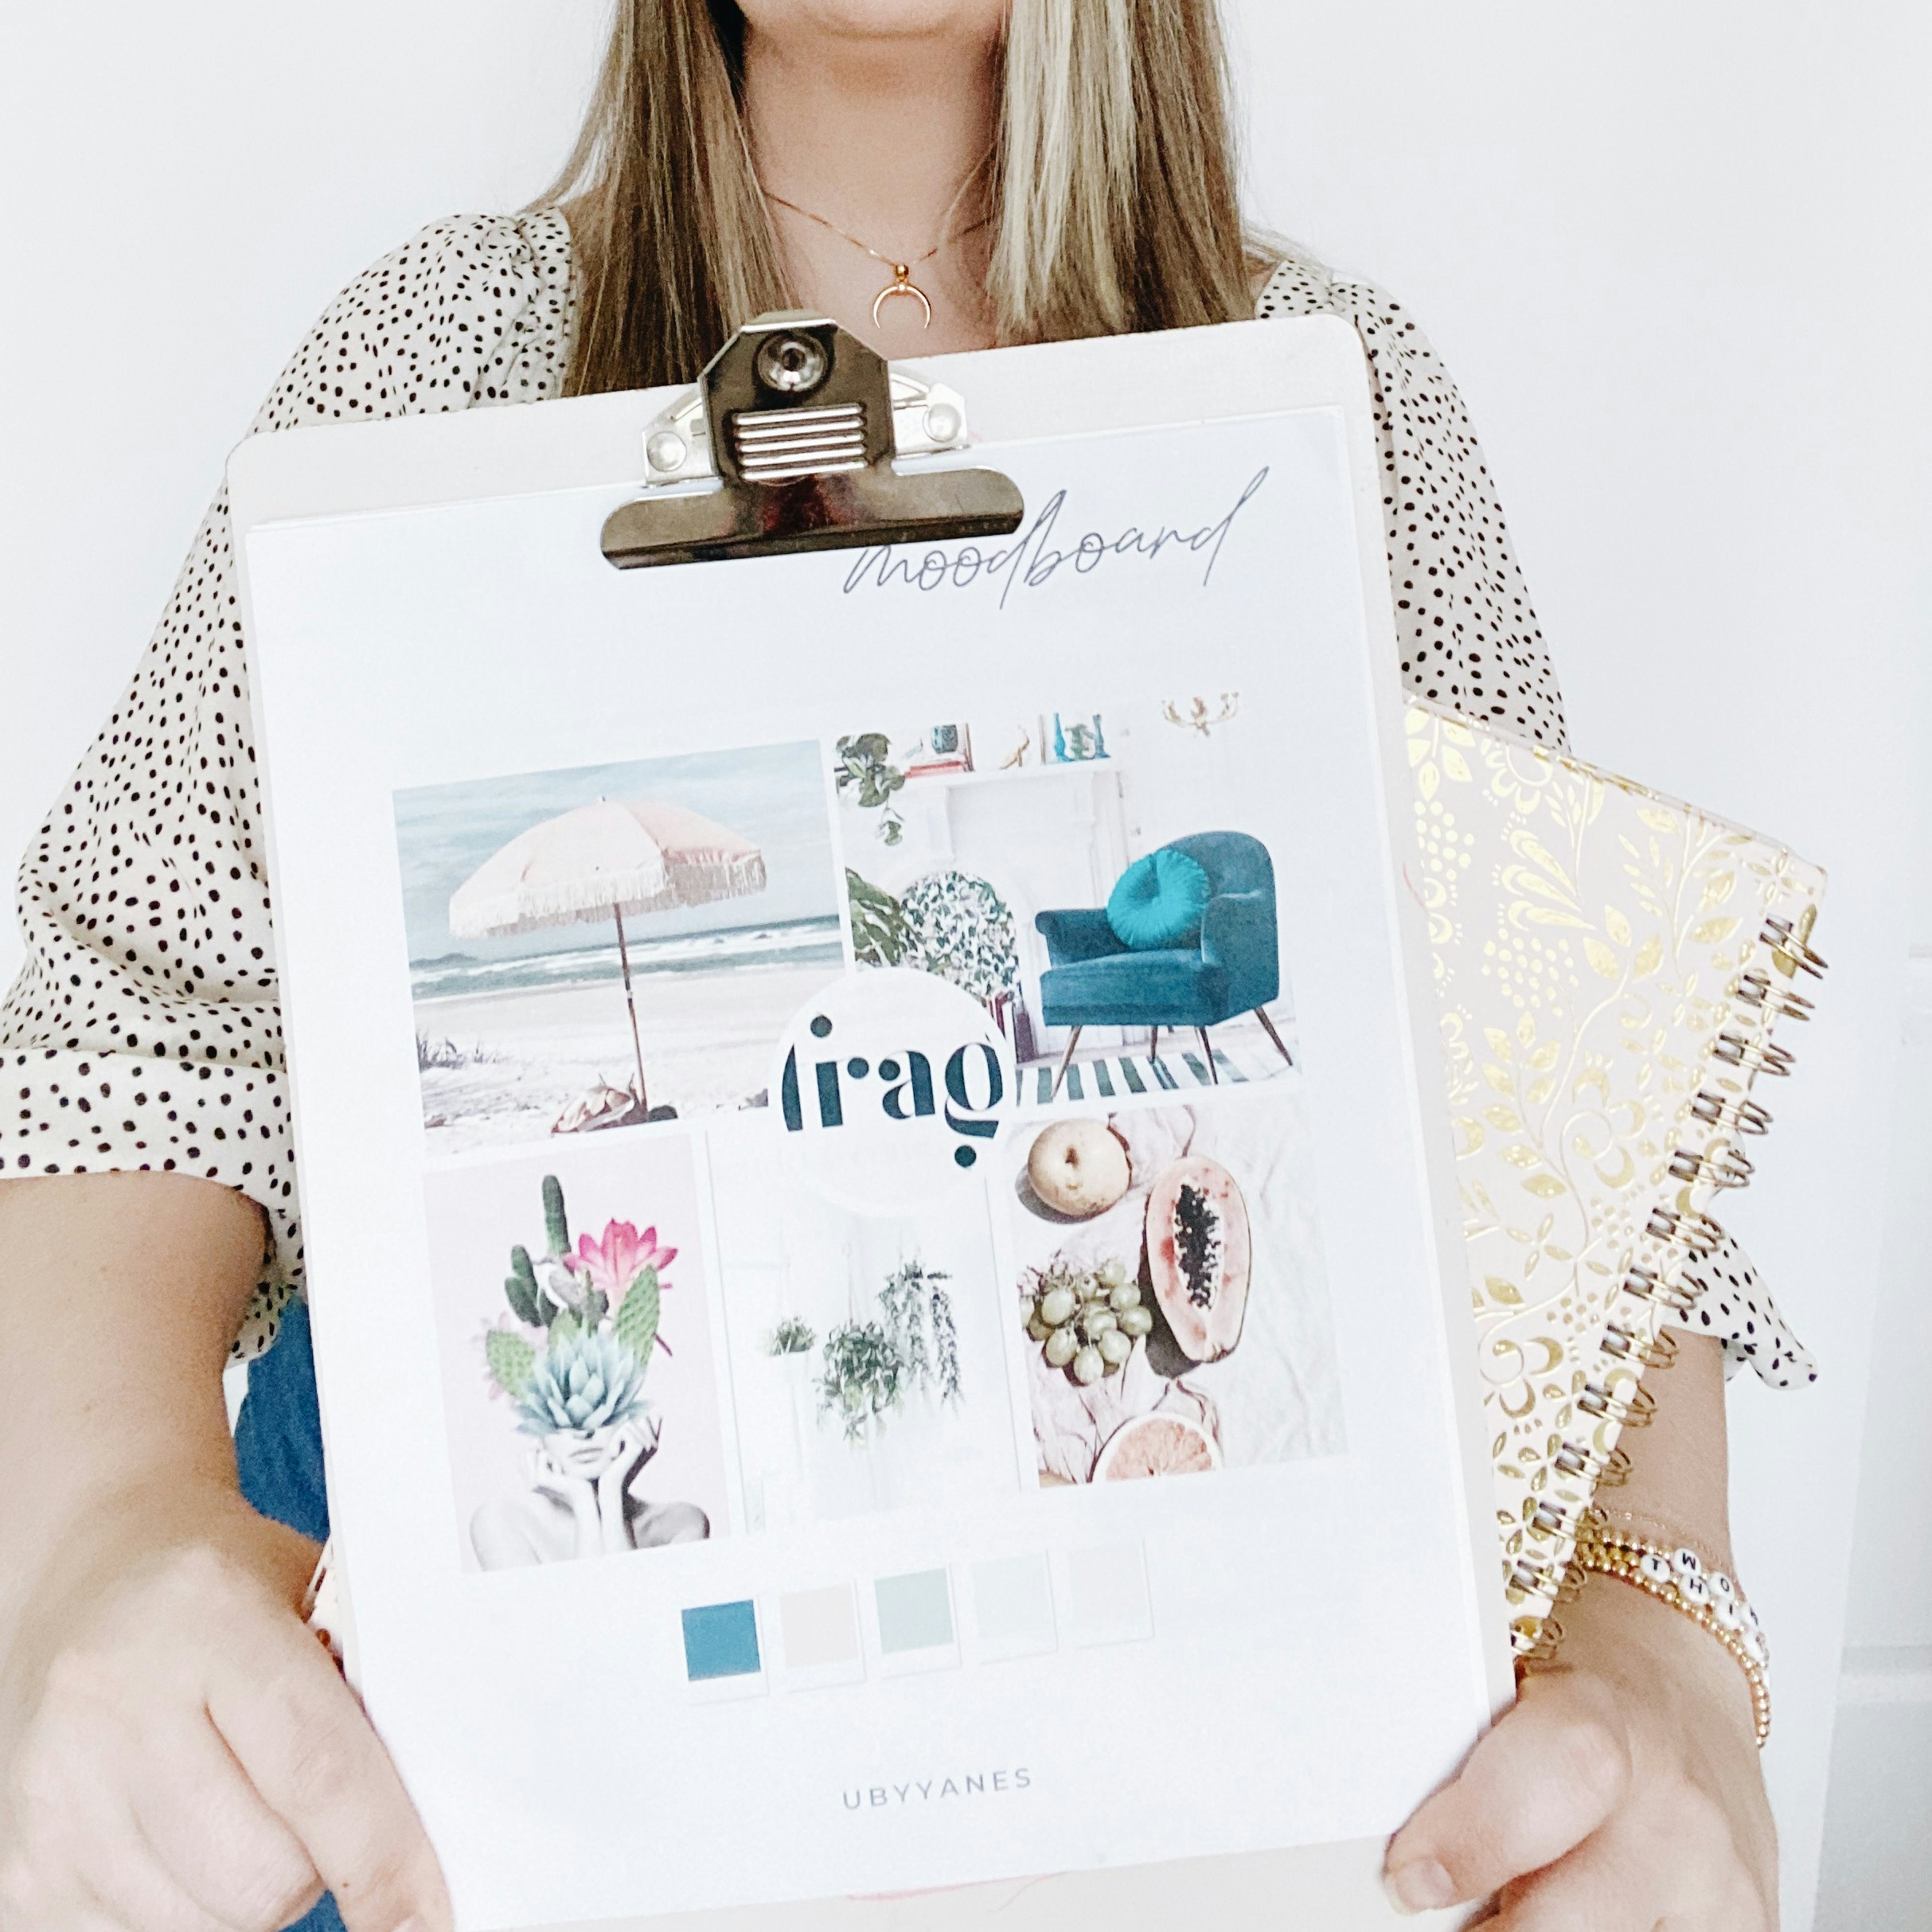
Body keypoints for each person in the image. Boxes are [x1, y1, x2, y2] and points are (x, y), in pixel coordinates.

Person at [0, 2, 1804, 1927]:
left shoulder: (1344, 411)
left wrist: (1665, 1633)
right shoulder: (425, 363)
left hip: (1193, 1793)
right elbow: (123, 1032)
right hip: (506, 1812)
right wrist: (95, 1529)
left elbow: (1570, 1129)